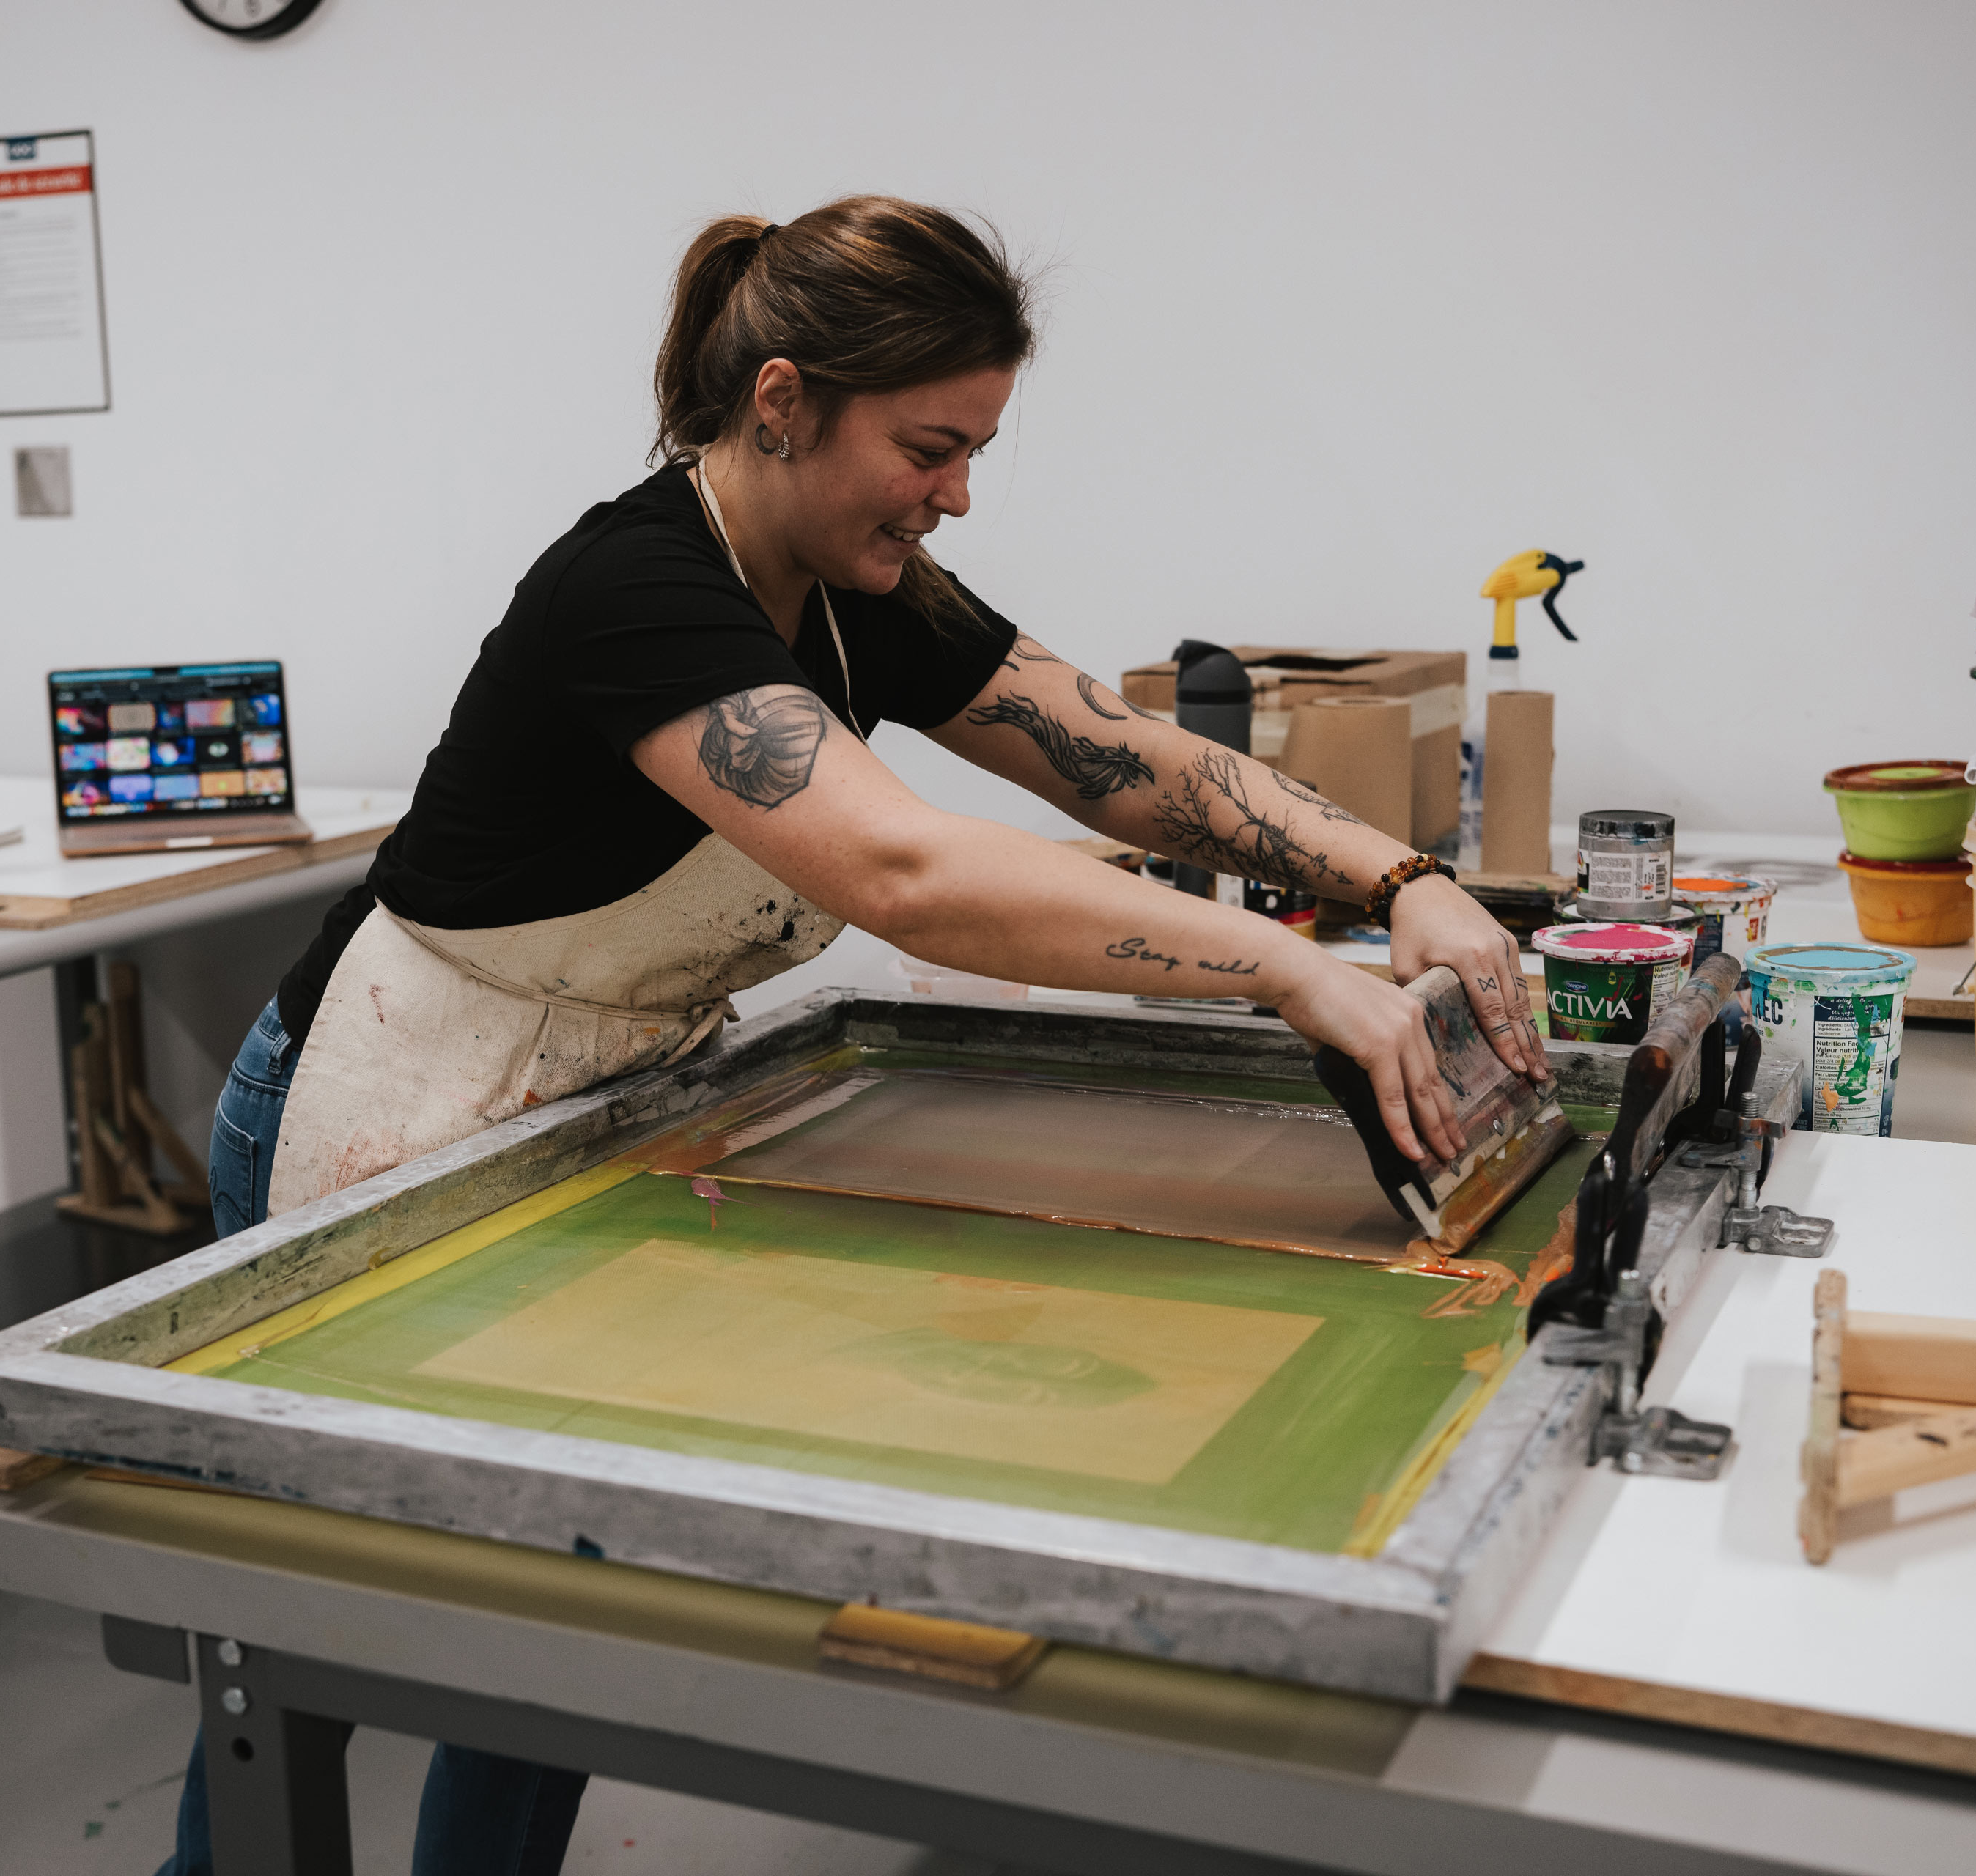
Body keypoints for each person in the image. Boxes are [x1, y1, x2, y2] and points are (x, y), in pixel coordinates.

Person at [160, 193, 1545, 1876]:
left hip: (583, 1106)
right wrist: (1282, 971)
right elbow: (902, 867)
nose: (958, 492)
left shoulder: (852, 581)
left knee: (555, 1609)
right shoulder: (635, 588)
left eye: (977, 450)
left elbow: (1119, 753)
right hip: (375, 1103)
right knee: (309, 1628)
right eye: (932, 445)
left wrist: (1401, 877)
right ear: (784, 402)